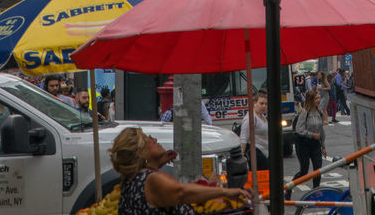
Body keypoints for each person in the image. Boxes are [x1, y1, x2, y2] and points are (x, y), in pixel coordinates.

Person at [109, 127, 248, 215]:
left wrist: (158, 161)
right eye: (148, 140)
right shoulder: (151, 180)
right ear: (141, 152)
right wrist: (226, 192)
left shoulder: (131, 180)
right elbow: (181, 193)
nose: (155, 140)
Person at [292, 88, 326, 180]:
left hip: (315, 144)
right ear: (310, 100)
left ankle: (316, 191)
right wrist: (312, 135)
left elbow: (321, 130)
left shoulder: (319, 112)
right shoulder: (304, 112)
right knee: (304, 171)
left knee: (318, 169)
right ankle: (289, 187)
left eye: (318, 98)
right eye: (316, 98)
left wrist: (323, 146)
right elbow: (299, 129)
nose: (318, 100)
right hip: (304, 144)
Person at [238, 92, 269, 172]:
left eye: (266, 104)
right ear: (255, 103)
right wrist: (240, 157)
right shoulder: (250, 118)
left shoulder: (263, 117)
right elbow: (243, 138)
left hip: (265, 153)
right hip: (256, 155)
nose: (264, 106)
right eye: (261, 103)